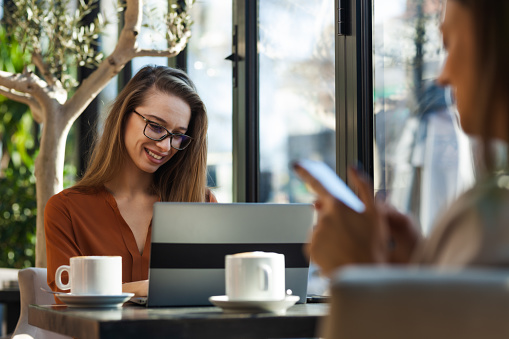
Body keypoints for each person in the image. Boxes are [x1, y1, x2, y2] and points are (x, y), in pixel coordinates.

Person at [294, 0, 509, 277]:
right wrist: (419, 264)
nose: (443, 77)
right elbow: (461, 313)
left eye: (450, 44)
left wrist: (361, 271)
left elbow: (459, 320)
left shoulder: (490, 220)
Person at [45, 65, 217, 298]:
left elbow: (213, 289)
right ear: (123, 117)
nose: (165, 146)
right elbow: (67, 296)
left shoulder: (201, 203)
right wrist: (145, 289)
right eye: (156, 126)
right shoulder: (66, 210)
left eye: (177, 135)